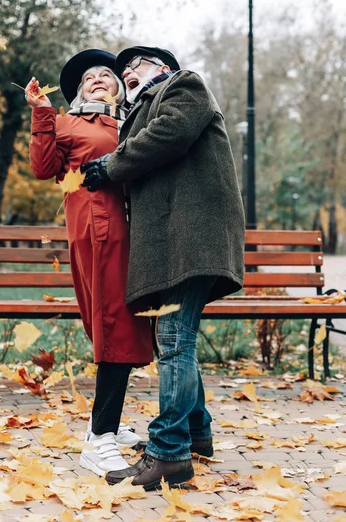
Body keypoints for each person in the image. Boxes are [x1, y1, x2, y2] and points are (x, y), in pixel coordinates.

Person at [81, 46, 245, 490]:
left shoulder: (182, 85)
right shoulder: (137, 113)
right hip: (175, 244)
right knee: (176, 339)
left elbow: (170, 133)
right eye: (125, 69)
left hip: (192, 238)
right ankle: (197, 432)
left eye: (139, 64)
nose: (128, 71)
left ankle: (168, 451)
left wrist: (110, 166)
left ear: (165, 68)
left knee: (173, 340)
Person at [27, 49, 153, 477]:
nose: (98, 79)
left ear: (119, 86)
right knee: (115, 324)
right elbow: (43, 168)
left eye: (106, 75)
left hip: (136, 233)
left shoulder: (129, 121)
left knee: (127, 324)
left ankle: (109, 429)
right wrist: (43, 114)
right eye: (89, 78)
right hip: (100, 230)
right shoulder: (68, 123)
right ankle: (99, 441)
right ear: (78, 91)